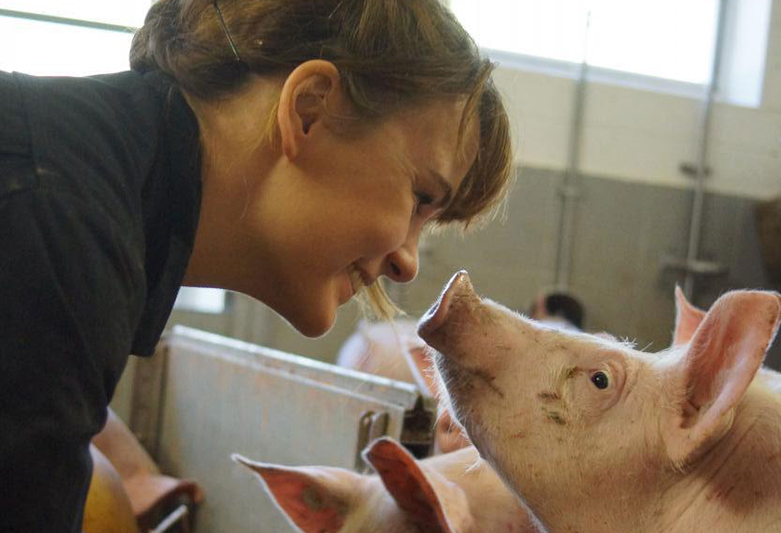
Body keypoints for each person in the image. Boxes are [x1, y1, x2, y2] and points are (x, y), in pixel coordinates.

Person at [0, 0, 512, 531]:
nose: (408, 261)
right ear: (309, 110)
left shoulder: (82, 193)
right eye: (420, 196)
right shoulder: (58, 223)